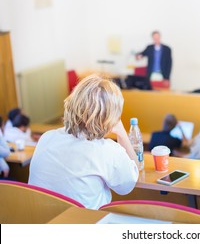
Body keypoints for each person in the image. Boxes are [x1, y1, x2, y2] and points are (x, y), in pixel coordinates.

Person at [28, 74, 139, 209]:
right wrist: (121, 133)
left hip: (42, 222)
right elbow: (128, 184)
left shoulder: (46, 138)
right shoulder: (108, 151)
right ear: (111, 117)